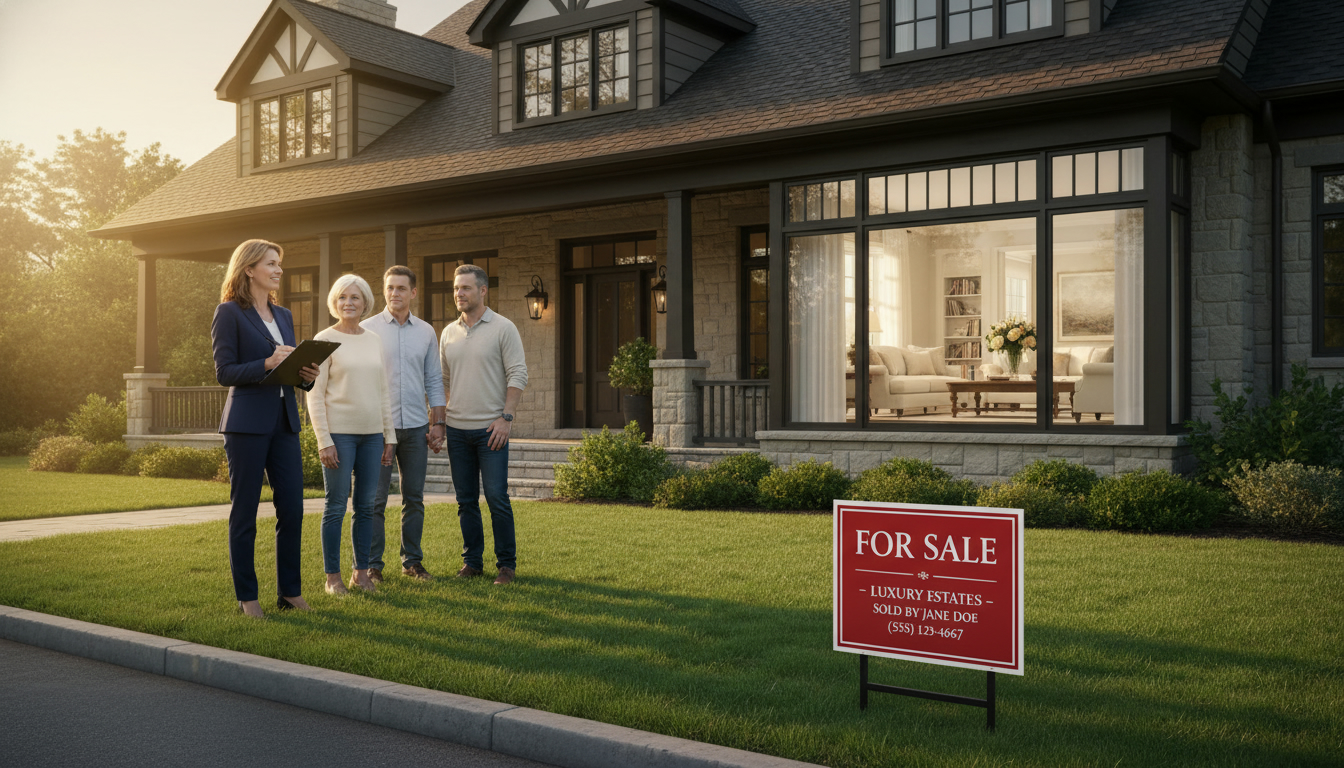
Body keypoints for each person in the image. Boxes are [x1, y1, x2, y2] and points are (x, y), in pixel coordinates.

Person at [211, 239, 320, 619]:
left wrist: (306, 375)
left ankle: (289, 592)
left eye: (279, 264)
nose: (278, 270)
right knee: (245, 512)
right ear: (249, 269)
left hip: (285, 422)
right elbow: (225, 372)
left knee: (292, 509)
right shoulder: (229, 313)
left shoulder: (285, 315)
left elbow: (286, 373)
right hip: (246, 425)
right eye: (271, 264)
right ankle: (247, 598)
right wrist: (267, 361)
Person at [307, 274, 397, 595]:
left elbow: (383, 392)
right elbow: (314, 395)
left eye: (355, 297)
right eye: (343, 297)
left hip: (373, 436)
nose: (349, 303)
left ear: (365, 303)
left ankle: (361, 573)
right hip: (339, 436)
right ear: (335, 301)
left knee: (367, 506)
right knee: (335, 506)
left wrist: (389, 438)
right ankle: (333, 578)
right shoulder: (324, 339)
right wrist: (324, 441)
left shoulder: (373, 339)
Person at [439, 264, 528, 585]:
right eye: (455, 289)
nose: (459, 294)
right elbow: (443, 379)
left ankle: (506, 566)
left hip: (492, 430)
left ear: (483, 290)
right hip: (457, 431)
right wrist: (442, 418)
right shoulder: (448, 332)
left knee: (496, 497)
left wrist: (506, 418)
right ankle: (472, 562)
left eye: (465, 288)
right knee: (465, 501)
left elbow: (518, 374)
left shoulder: (504, 328)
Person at [361, 265, 446, 582]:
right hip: (377, 429)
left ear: (413, 292)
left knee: (414, 498)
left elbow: (434, 381)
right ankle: (372, 565)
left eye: (401, 288)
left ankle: (412, 562)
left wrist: (438, 423)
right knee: (374, 500)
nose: (394, 293)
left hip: (414, 428)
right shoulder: (367, 330)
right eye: (389, 287)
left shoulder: (425, 332)